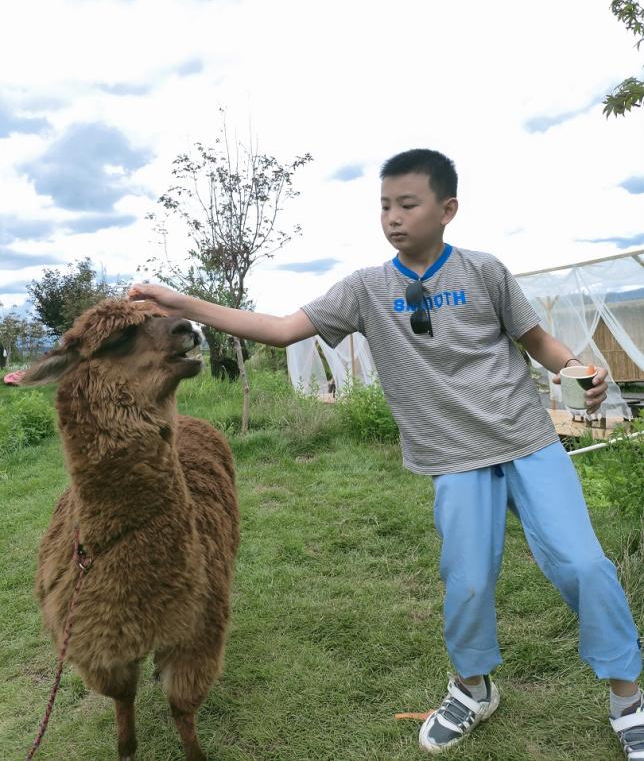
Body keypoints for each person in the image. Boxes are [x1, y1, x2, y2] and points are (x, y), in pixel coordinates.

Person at [129, 148, 642, 757]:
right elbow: (279, 327)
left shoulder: (484, 271)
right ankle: (473, 688)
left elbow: (537, 341)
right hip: (454, 458)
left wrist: (580, 368)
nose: (393, 217)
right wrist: (182, 303)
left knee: (583, 566)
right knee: (467, 581)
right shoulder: (366, 290)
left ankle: (627, 697)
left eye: (407, 204)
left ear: (447, 209)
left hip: (528, 441)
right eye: (384, 206)